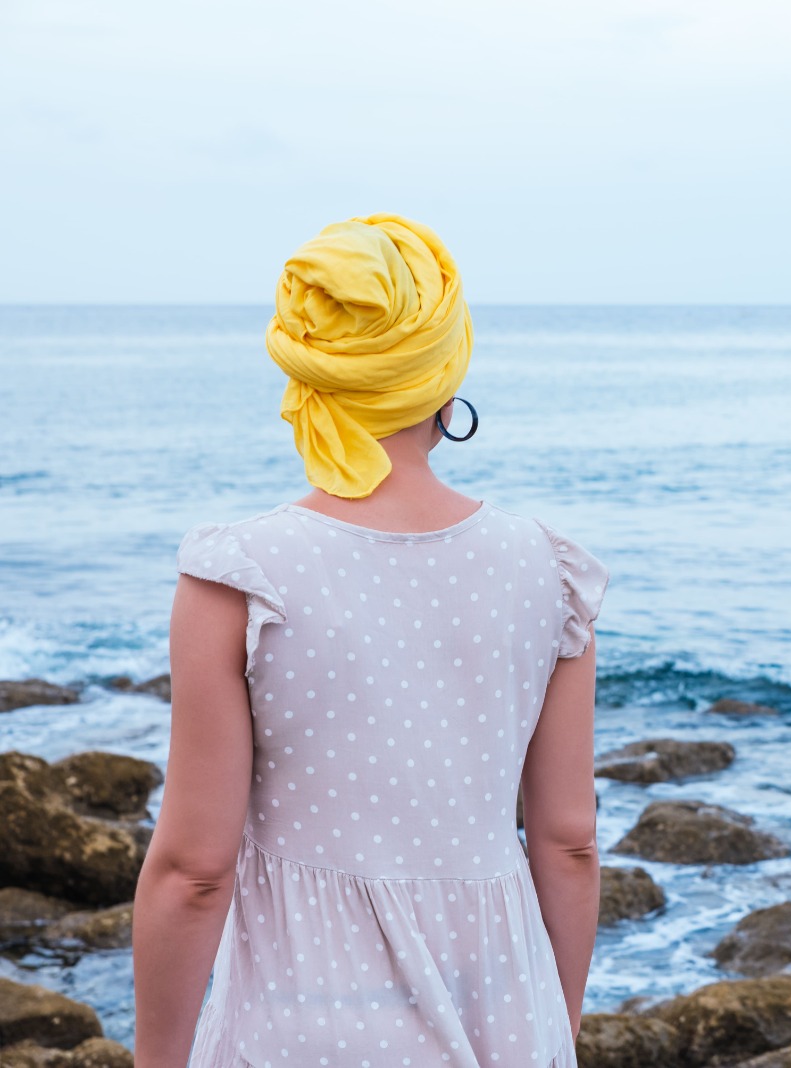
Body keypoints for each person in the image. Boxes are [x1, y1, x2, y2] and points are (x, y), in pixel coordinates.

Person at [131, 214, 610, 1068]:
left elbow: (194, 872)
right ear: (444, 371)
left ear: (308, 373)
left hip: (300, 1028)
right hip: (505, 1016)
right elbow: (568, 839)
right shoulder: (547, 569)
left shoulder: (240, 576)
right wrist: (551, 1029)